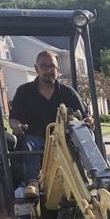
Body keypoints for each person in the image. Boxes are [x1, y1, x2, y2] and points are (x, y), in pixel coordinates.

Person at [9, 50, 91, 195]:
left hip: (65, 139)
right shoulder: (24, 92)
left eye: (51, 66)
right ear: (36, 69)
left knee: (86, 133)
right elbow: (14, 119)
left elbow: (86, 117)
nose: (48, 70)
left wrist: (89, 121)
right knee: (28, 143)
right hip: (36, 140)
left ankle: (91, 173)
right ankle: (33, 182)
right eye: (44, 66)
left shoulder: (68, 92)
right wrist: (16, 126)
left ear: (57, 69)